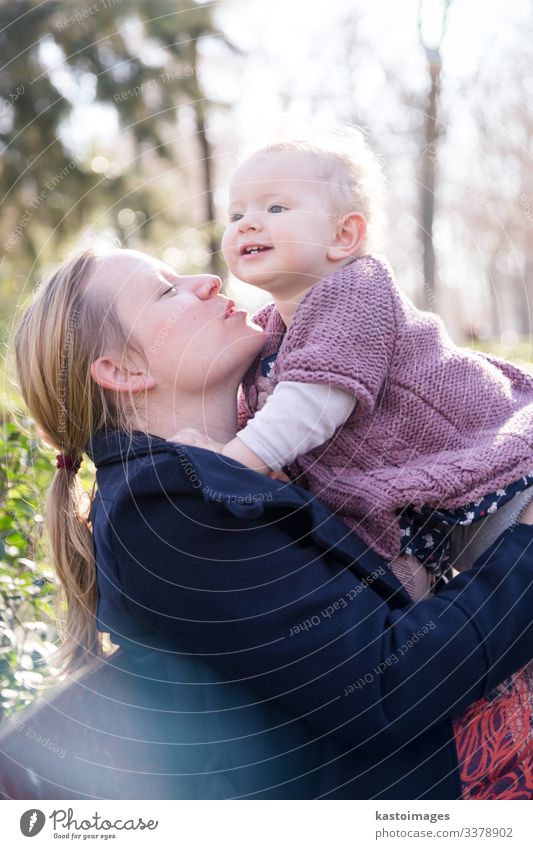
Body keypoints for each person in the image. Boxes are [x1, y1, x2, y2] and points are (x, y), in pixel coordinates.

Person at [14, 246, 533, 799]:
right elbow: (387, 684)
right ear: (124, 370)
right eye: (166, 290)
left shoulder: (257, 462)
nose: (208, 279)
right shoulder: (161, 513)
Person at [217, 126, 533, 601]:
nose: (247, 223)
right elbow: (265, 409)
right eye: (236, 213)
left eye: (275, 208)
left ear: (345, 235)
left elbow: (311, 405)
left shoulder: (356, 293)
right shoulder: (270, 332)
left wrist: (226, 466)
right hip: (430, 510)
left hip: (500, 470)